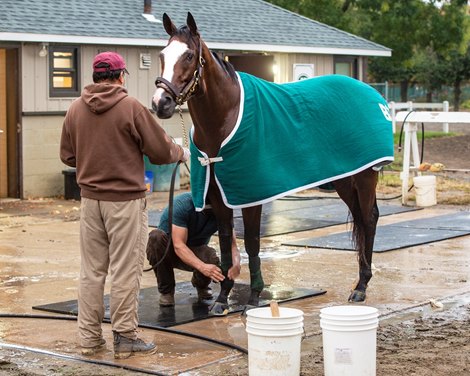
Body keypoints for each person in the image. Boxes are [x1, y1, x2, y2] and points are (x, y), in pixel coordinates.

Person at [60, 51, 190, 359]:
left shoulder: (75, 109)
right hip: (125, 203)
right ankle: (125, 336)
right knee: (125, 270)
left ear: (95, 77)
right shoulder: (130, 107)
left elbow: (67, 156)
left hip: (90, 203)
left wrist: (94, 161)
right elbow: (159, 151)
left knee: (91, 271)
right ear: (121, 77)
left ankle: (90, 339)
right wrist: (180, 151)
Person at [146, 192, 240, 307]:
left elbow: (233, 244)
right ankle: (166, 291)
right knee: (156, 237)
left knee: (211, 257)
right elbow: (179, 246)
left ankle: (200, 284)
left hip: (196, 250)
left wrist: (236, 262)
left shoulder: (223, 210)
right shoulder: (183, 205)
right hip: (167, 251)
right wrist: (203, 267)